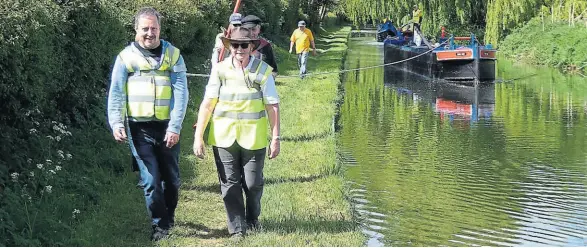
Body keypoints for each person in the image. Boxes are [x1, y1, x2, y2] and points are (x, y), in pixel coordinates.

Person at [107, 7, 189, 241]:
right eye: (145, 28)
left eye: (154, 28)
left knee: (171, 180)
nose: (149, 33)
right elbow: (116, 93)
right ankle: (159, 226)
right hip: (138, 128)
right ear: (136, 30)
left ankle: (168, 216)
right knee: (151, 180)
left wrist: (175, 126)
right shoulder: (125, 58)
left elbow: (181, 93)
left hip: (167, 127)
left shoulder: (173, 55)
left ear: (160, 29)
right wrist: (116, 122)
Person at [193, 27, 280, 238]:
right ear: (229, 47)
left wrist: (276, 137)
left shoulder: (263, 71)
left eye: (243, 45)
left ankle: (252, 218)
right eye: (235, 45)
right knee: (230, 184)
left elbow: (272, 106)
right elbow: (208, 104)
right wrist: (198, 136)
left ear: (251, 47)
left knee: (252, 184)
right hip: (223, 137)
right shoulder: (219, 70)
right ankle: (237, 228)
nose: (239, 49)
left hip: (254, 137)